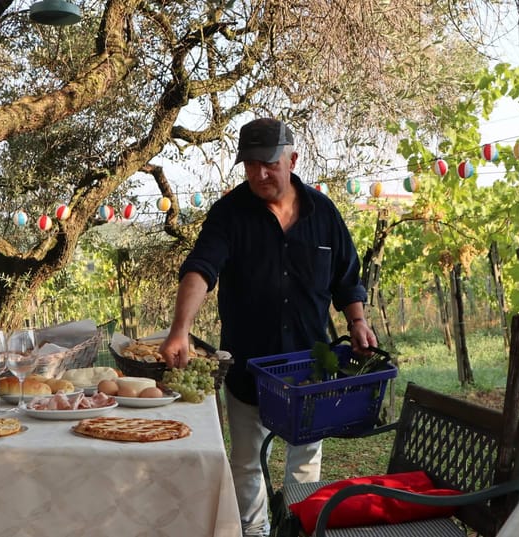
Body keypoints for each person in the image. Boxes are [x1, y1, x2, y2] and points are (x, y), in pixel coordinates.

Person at [159, 117, 377, 537]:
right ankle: (253, 532)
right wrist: (180, 328)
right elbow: (200, 270)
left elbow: (347, 278)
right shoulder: (229, 214)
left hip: (310, 365)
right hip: (249, 366)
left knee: (306, 462)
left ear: (292, 160)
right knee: (245, 462)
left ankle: (299, 528)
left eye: (269, 163)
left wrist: (358, 322)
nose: (259, 173)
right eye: (250, 164)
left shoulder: (323, 212)